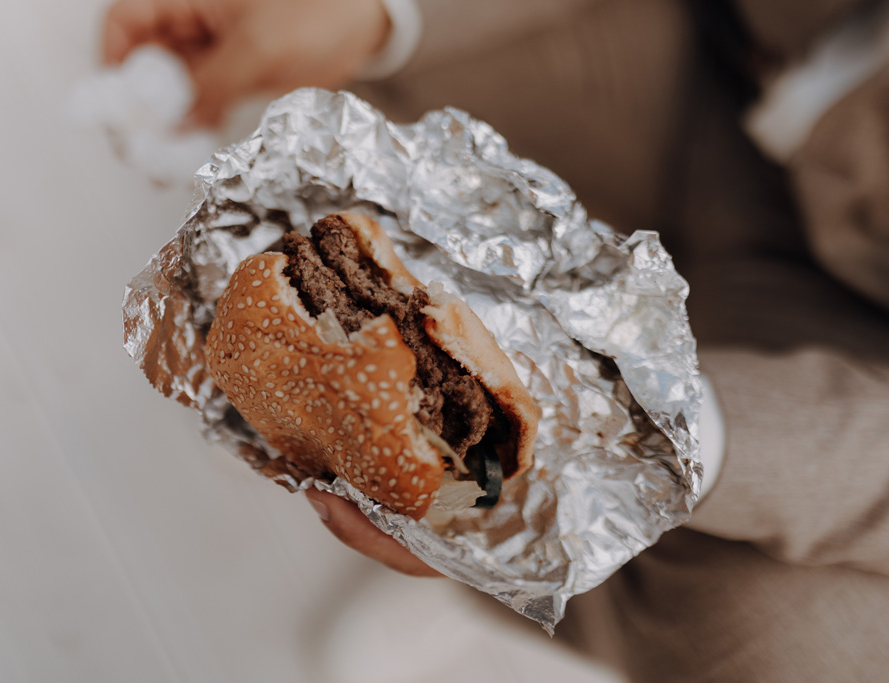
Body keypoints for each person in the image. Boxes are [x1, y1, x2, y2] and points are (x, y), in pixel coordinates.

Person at [102, 1, 889, 680]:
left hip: (858, 360)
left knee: (773, 644)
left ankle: (520, 559)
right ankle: (397, 454)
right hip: (733, 69)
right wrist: (380, 15)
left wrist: (662, 435)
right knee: (403, 71)